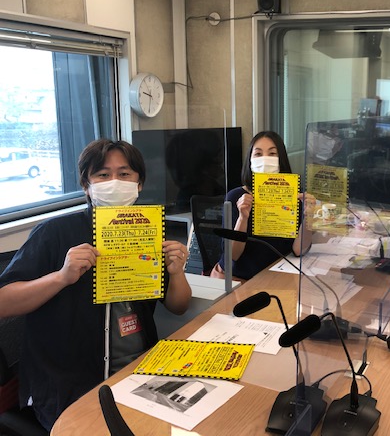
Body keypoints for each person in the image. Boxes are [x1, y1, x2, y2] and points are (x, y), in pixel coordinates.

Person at [0, 139, 192, 431]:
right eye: (103, 175)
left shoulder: (146, 232)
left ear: (139, 184)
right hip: (69, 385)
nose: (114, 182)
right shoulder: (55, 233)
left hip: (137, 375)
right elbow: (3, 302)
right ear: (86, 186)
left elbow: (179, 306)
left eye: (124, 174)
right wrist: (61, 277)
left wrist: (176, 272)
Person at [214, 131, 314, 281]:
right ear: (250, 160)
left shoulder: (294, 196)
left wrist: (309, 217)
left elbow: (299, 250)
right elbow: (232, 255)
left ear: (281, 159)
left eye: (272, 154)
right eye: (258, 154)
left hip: (277, 276)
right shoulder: (236, 197)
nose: (265, 159)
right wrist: (243, 217)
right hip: (239, 279)